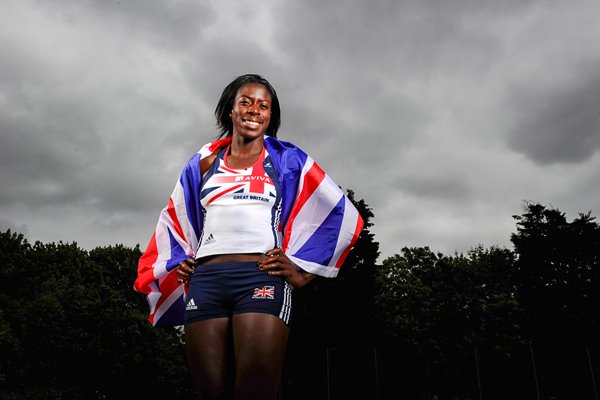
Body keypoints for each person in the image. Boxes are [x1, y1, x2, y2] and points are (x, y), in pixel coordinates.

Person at [134, 74, 363, 399]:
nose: (254, 110)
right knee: (209, 391)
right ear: (231, 109)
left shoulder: (287, 160)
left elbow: (340, 214)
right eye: (246, 101)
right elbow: (176, 220)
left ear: (270, 116)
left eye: (263, 105)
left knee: (255, 390)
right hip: (207, 282)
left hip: (260, 278)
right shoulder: (203, 164)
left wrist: (301, 272)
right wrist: (179, 261)